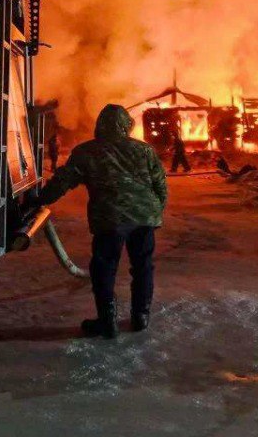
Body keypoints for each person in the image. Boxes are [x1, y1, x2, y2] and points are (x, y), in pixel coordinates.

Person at [34, 104, 167, 338]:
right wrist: (154, 210)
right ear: (127, 125)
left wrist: (39, 199)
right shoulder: (144, 150)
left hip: (110, 219)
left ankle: (107, 321)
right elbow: (160, 184)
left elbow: (63, 181)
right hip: (144, 218)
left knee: (104, 268)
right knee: (143, 266)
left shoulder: (87, 151)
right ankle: (141, 317)